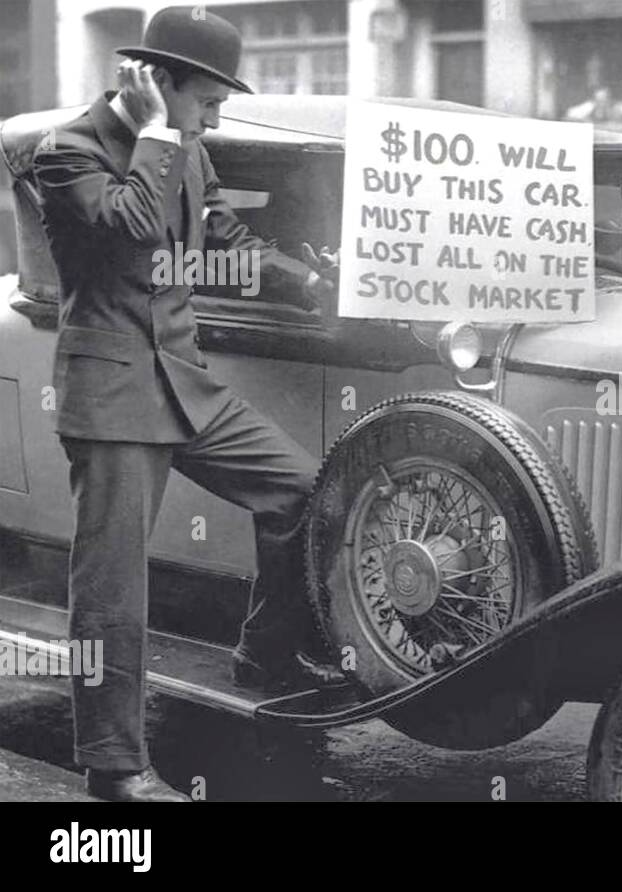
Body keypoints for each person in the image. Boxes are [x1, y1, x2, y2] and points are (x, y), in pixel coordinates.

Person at [32, 6, 345, 802]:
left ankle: (262, 657)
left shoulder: (189, 149)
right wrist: (157, 136)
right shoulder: (66, 153)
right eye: (207, 99)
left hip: (184, 381)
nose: (216, 114)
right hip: (111, 393)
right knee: (112, 592)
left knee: (305, 491)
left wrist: (308, 279)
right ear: (156, 82)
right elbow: (133, 228)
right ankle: (114, 767)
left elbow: (224, 240)